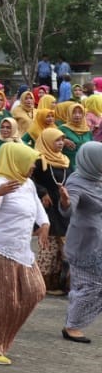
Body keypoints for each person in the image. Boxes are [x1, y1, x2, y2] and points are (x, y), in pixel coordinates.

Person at [0, 143, 49, 365]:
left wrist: (44, 224)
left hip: (21, 248)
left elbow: (37, 206)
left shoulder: (27, 183)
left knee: (35, 291)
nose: (32, 168)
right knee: (5, 300)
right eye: (30, 163)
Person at [61, 141, 102, 342]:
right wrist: (65, 202)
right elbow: (69, 210)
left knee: (90, 285)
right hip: (85, 244)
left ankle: (74, 320)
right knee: (91, 286)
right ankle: (72, 326)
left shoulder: (97, 178)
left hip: (98, 240)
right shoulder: (76, 182)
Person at [32, 127, 73, 296]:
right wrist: (42, 192)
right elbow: (29, 178)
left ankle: (57, 283)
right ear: (48, 141)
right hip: (47, 206)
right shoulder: (39, 160)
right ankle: (41, 283)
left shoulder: (64, 160)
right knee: (48, 244)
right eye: (57, 140)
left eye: (62, 140)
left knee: (60, 244)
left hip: (62, 205)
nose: (60, 143)